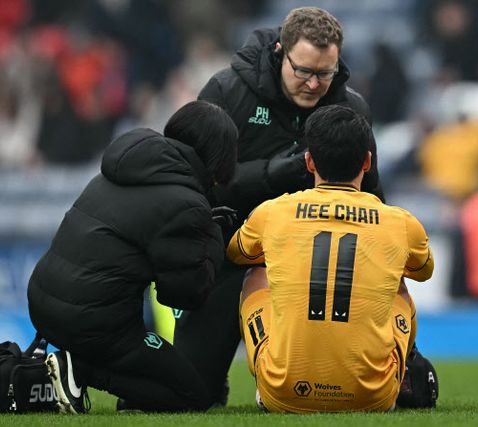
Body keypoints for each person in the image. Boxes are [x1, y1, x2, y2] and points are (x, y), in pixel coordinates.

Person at [172, 6, 384, 407]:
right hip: (228, 255)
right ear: (279, 52)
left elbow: (372, 193)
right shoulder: (226, 93)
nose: (314, 84)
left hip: (317, 268)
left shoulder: (351, 109)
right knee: (187, 394)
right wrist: (270, 174)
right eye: (303, 71)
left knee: (358, 390)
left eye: (325, 73)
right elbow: (192, 182)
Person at [27, 100, 238, 414]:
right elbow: (184, 295)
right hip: (93, 324)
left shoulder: (122, 168)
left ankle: (92, 377)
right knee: (193, 395)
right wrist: (212, 239)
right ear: (218, 157)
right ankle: (79, 370)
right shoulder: (186, 202)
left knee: (158, 373)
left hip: (44, 304)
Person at [227, 105, 435, 412]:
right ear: (367, 161)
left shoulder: (273, 212)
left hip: (283, 393)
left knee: (256, 274)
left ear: (309, 161)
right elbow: (424, 271)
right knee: (399, 285)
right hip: (372, 397)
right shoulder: (401, 222)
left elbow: (237, 253)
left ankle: (271, 377)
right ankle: (397, 373)